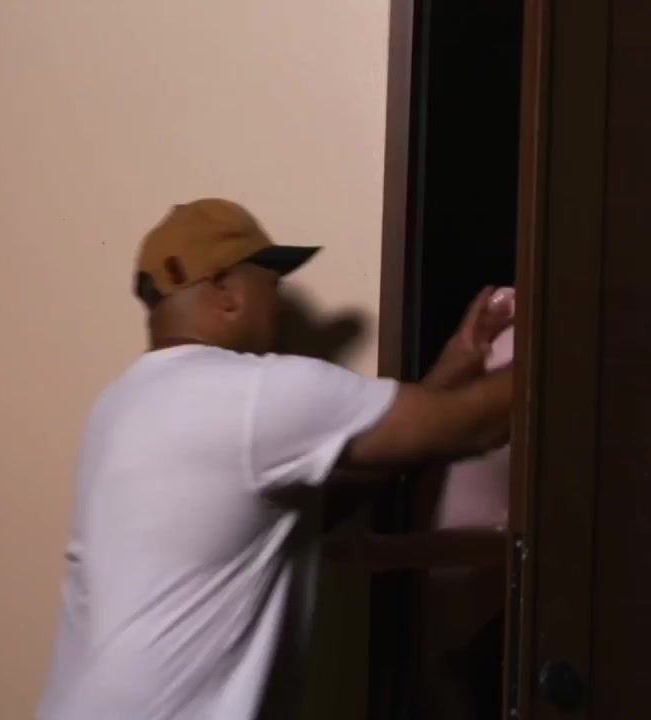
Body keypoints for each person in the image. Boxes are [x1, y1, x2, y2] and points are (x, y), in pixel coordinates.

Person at [36, 198, 514, 720]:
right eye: (271, 282)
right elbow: (472, 426)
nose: (278, 304)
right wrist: (558, 334)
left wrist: (451, 370)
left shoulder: (120, 406)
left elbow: (298, 517)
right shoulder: (252, 394)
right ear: (224, 289)